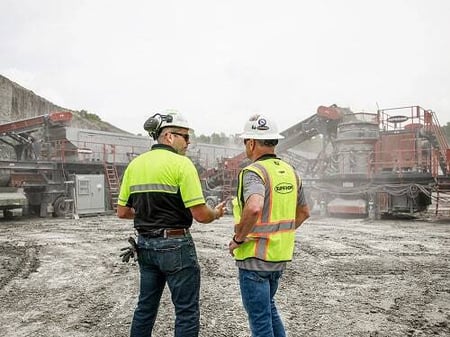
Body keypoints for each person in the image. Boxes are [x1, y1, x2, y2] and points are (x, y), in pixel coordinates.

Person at [117, 109, 225, 337]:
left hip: (145, 245)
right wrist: (216, 213)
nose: (189, 142)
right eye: (185, 137)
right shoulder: (182, 165)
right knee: (185, 312)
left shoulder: (135, 166)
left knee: (145, 308)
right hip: (176, 245)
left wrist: (150, 215)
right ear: (169, 136)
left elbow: (122, 211)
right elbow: (201, 215)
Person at [228, 114, 310, 337]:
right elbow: (304, 212)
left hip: (254, 260)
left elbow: (254, 207)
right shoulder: (291, 172)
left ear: (251, 143)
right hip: (278, 258)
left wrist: (238, 239)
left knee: (260, 321)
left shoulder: (254, 172)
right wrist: (279, 235)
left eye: (246, 142)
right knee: (269, 310)